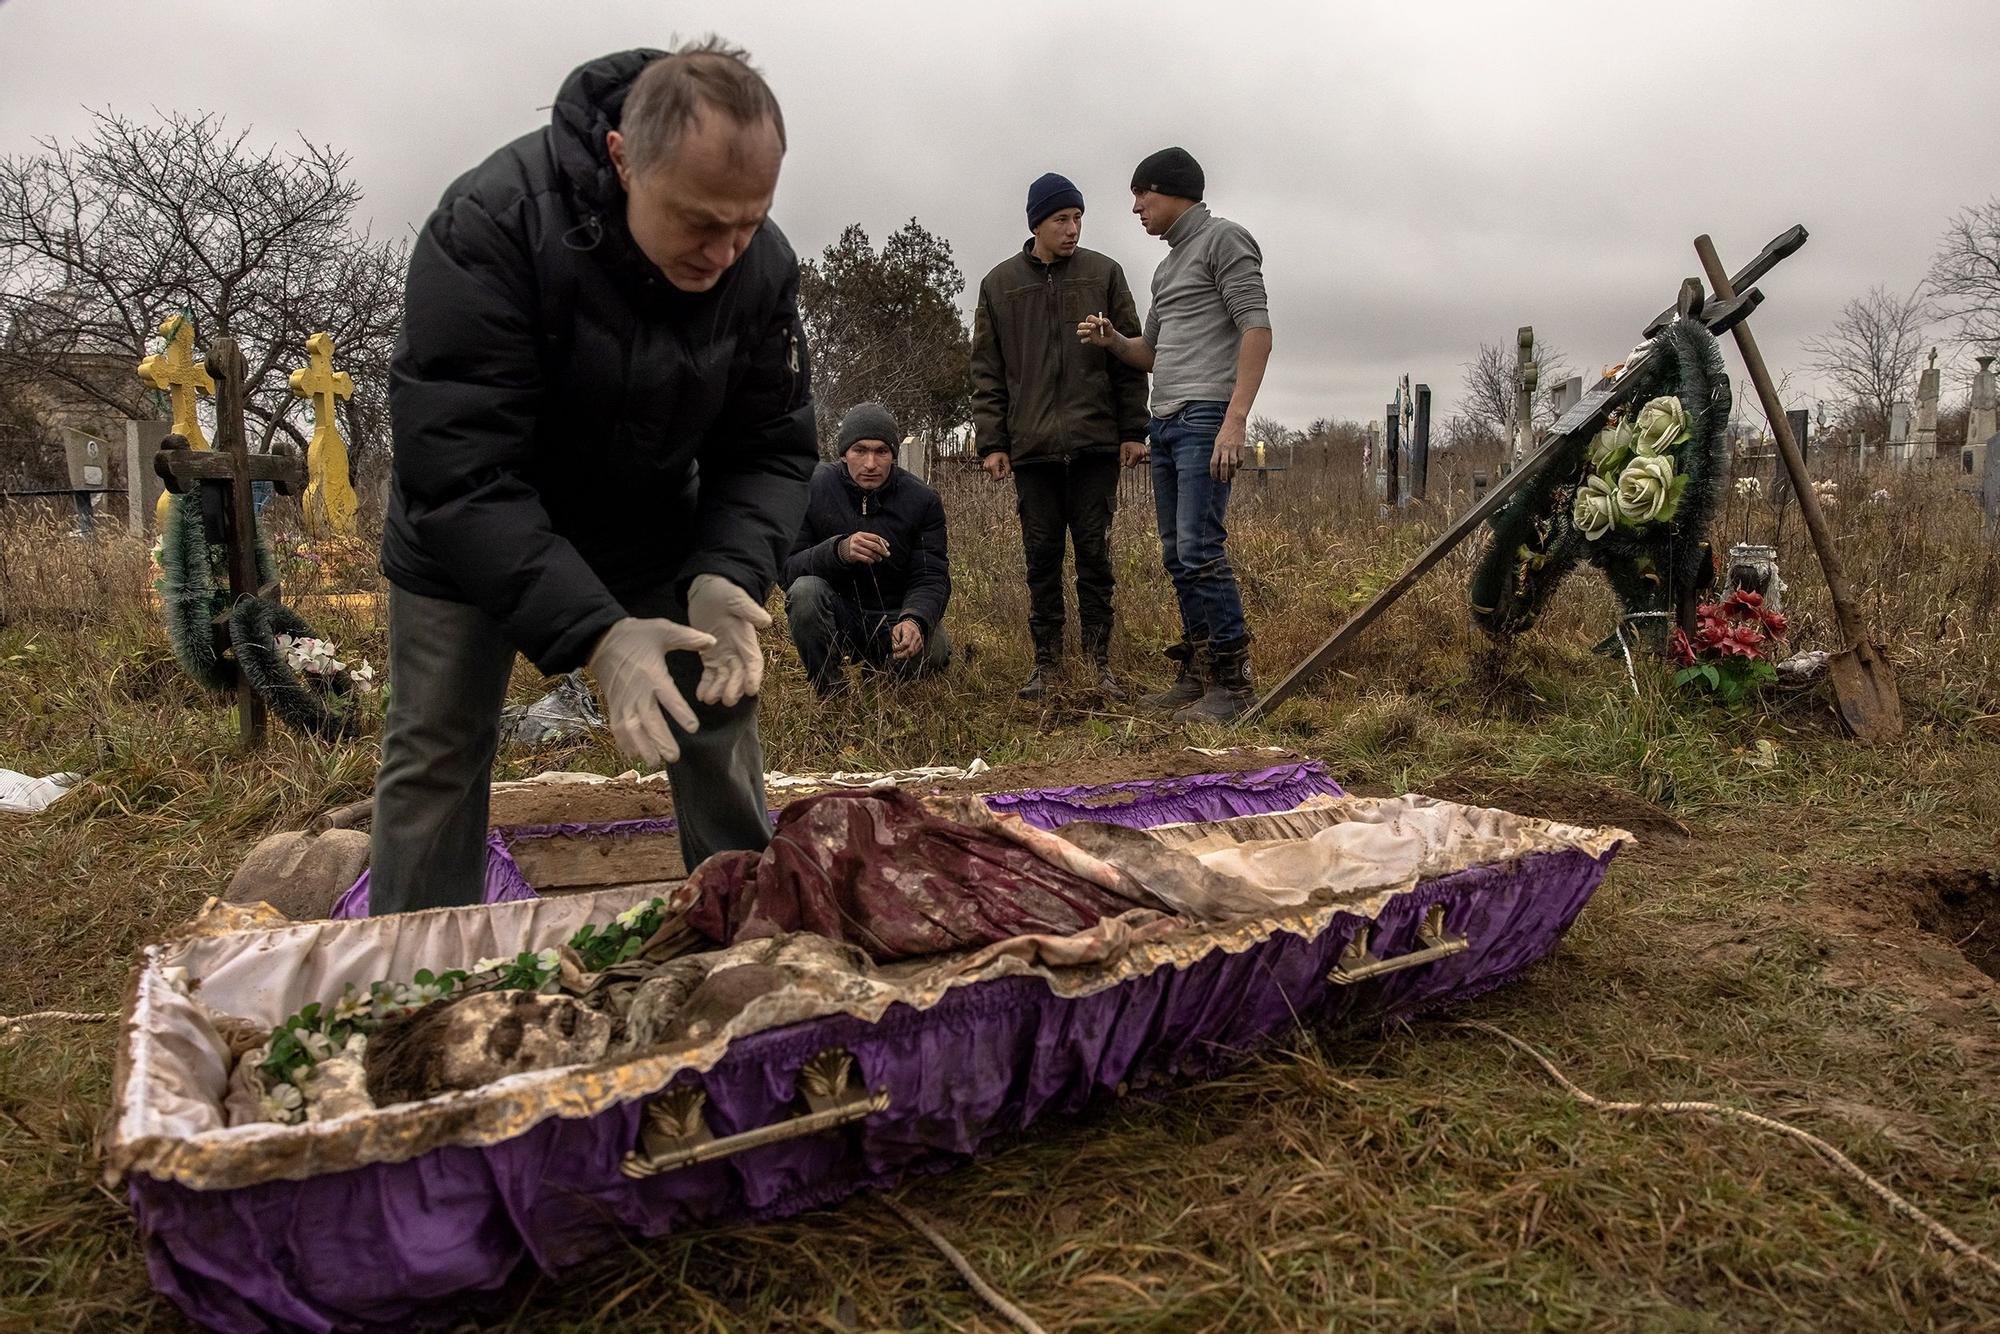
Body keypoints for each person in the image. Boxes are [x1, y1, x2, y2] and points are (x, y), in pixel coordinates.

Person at [371, 42, 815, 914]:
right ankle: (413, 977)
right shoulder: (488, 228)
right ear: (621, 157)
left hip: (647, 516)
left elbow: (768, 446)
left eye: (748, 221)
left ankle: (740, 926)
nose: (725, 252)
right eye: (698, 222)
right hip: (469, 530)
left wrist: (728, 570)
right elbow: (460, 476)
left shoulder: (759, 265)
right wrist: (597, 636)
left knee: (716, 704)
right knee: (439, 747)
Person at [1080, 147, 1271, 722]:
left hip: (1206, 418)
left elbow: (1257, 330)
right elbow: (1151, 353)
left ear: (1176, 193)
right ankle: (1200, 670)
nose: (1136, 207)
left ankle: (1234, 685)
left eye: (1145, 195)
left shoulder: (1224, 240)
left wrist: (1235, 420)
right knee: (1176, 554)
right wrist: (1115, 341)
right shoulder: (1166, 268)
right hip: (1165, 422)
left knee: (1200, 548)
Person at [971, 173, 1149, 700]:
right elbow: (987, 371)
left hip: (1095, 443)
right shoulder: (999, 284)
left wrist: (1134, 428)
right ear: (1037, 224)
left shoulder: (1104, 274)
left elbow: (1130, 357)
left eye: (1077, 219)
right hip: (1032, 450)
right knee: (1041, 557)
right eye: (1061, 220)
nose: (1072, 229)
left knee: (1095, 554)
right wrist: (994, 442)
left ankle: (1099, 665)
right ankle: (1046, 666)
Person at [781, 402, 951, 695]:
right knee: (805, 592)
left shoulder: (922, 500)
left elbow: (931, 576)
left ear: (893, 456)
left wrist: (914, 619)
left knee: (934, 650)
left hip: (894, 616)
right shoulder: (813, 488)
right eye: (860, 450)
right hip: (839, 615)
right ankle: (831, 689)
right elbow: (786, 570)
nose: (870, 463)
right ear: (844, 453)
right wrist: (839, 551)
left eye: (881, 451)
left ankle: (884, 679)